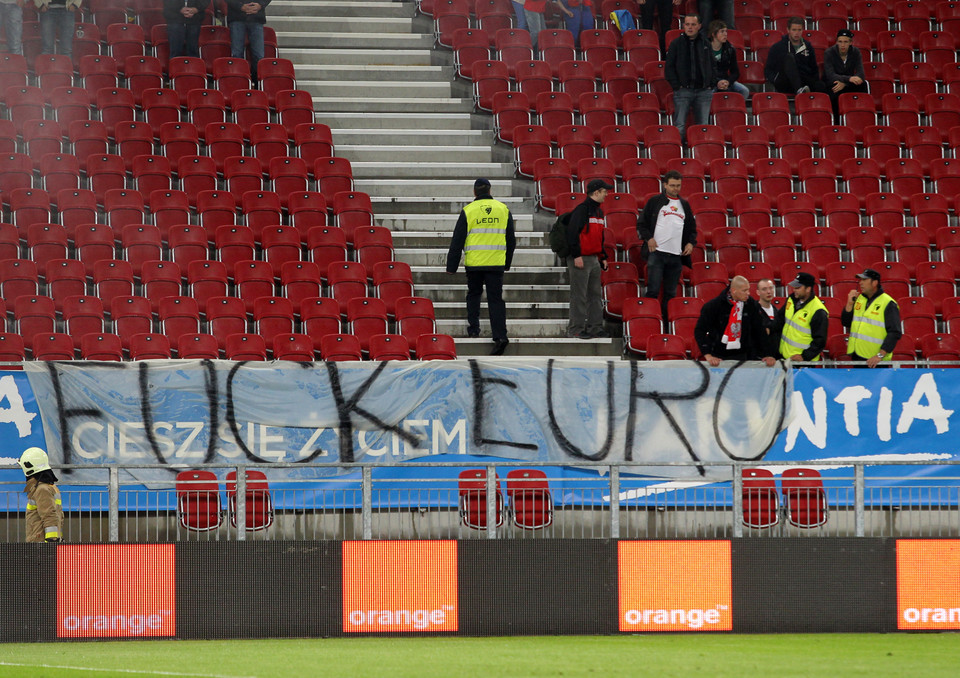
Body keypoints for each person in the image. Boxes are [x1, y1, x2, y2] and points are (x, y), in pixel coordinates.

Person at [446, 178, 516, 356]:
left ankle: (474, 329)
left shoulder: (468, 211)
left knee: (474, 294)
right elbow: (511, 240)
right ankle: (500, 336)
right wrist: (507, 262)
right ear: (490, 191)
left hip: (475, 264)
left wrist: (452, 266)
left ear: (474, 192)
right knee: (495, 299)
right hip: (496, 263)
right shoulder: (503, 209)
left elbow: (457, 240)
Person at [638, 170, 697, 321]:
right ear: (665, 185)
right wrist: (648, 238)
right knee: (653, 290)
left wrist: (691, 243)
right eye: (672, 185)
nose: (675, 189)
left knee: (670, 294)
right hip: (657, 253)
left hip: (676, 256)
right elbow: (641, 224)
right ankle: (649, 321)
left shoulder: (684, 205)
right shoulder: (654, 201)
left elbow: (692, 229)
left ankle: (666, 324)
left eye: (678, 185)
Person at [564, 178, 611, 339]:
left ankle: (595, 327)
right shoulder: (582, 209)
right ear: (596, 192)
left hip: (593, 257)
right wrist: (576, 255)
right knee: (579, 295)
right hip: (581, 257)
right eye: (604, 191)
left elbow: (599, 236)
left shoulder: (598, 211)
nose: (606, 195)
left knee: (594, 295)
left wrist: (602, 256)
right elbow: (572, 233)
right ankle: (576, 328)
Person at [695, 275, 776, 366]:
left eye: (748, 289)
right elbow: (700, 331)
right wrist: (708, 355)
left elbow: (759, 330)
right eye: (744, 290)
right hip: (719, 357)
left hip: (745, 356)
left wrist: (768, 354)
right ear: (734, 291)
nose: (748, 293)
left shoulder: (751, 304)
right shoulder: (713, 306)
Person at [665, 14, 716, 143]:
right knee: (680, 125)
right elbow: (669, 68)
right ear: (683, 26)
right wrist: (677, 86)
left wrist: (711, 83)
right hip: (683, 91)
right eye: (687, 24)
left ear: (699, 26)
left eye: (693, 24)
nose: (690, 27)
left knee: (703, 126)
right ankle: (679, 154)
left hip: (704, 91)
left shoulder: (706, 43)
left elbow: (713, 65)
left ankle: (700, 154)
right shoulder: (676, 44)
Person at [841, 268, 902, 367]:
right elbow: (846, 322)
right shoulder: (859, 299)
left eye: (864, 280)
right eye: (860, 280)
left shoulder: (888, 303)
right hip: (857, 356)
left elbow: (895, 332)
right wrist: (849, 304)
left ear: (874, 283)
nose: (860, 283)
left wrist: (879, 355)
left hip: (876, 361)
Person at [764, 16, 826, 95]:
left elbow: (813, 67)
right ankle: (799, 90)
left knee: (822, 85)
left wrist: (815, 81)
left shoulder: (807, 46)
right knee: (789, 57)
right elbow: (768, 69)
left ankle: (803, 92)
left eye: (799, 30)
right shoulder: (777, 47)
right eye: (794, 30)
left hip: (804, 80)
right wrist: (775, 80)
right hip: (785, 81)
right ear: (788, 30)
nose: (797, 33)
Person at [776, 272, 828, 362]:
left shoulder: (818, 311)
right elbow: (779, 320)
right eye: (794, 287)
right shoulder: (791, 300)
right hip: (785, 358)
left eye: (798, 288)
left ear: (808, 289)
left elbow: (820, 341)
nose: (794, 290)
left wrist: (804, 357)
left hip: (803, 363)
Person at [18, 447, 63, 543]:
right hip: (42, 542)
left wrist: (51, 541)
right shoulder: (48, 486)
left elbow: (49, 516)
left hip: (40, 543)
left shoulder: (41, 489)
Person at [823, 28, 867, 121]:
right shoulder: (829, 53)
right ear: (836, 42)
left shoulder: (855, 52)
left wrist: (845, 83)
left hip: (847, 84)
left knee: (863, 84)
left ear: (850, 42)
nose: (842, 45)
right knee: (835, 90)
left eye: (845, 42)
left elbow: (861, 74)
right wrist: (849, 79)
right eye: (840, 41)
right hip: (833, 82)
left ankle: (860, 117)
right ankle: (836, 122)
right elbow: (830, 75)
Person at [227, 0, 270, 87]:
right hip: (236, 17)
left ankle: (258, 85)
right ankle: (239, 85)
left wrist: (260, 5)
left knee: (259, 56)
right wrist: (240, 6)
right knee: (237, 55)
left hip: (256, 17)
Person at [707, 20, 749, 99]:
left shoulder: (730, 49)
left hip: (725, 79)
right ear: (713, 34)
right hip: (709, 81)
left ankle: (734, 109)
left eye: (726, 31)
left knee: (744, 91)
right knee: (708, 94)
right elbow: (704, 72)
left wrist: (728, 81)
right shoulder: (704, 49)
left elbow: (735, 72)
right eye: (722, 32)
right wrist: (717, 82)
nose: (725, 34)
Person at [755, 277, 780, 357]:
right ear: (758, 292)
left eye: (771, 288)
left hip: (777, 359)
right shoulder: (753, 311)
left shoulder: (778, 312)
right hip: (759, 359)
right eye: (764, 289)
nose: (769, 292)